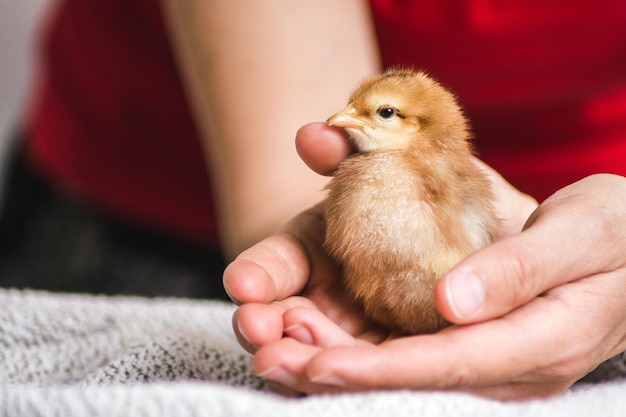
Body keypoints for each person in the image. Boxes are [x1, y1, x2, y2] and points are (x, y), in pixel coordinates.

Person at [223, 1, 626, 400]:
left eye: (380, 113)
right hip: (187, 223)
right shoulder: (361, 175)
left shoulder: (441, 179)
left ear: (418, 126)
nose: (344, 118)